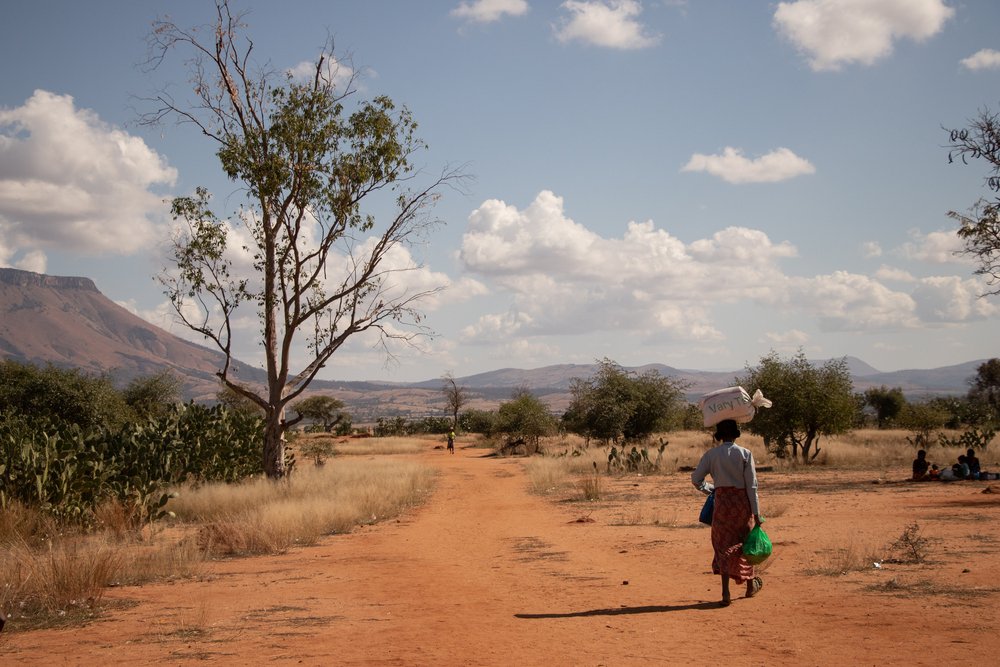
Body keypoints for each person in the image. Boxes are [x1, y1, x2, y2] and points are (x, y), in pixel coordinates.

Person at [691, 419, 763, 607]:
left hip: (722, 505)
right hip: (742, 505)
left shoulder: (711, 455)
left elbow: (696, 478)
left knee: (722, 546)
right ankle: (749, 586)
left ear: (719, 435)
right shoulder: (745, 454)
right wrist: (756, 513)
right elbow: (752, 486)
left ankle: (725, 592)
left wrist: (711, 489)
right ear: (736, 434)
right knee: (745, 544)